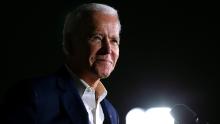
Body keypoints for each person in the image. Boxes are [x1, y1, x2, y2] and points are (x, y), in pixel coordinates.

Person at [2, 3, 121, 124]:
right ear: (70, 44)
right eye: (97, 37)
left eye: (114, 41)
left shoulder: (111, 113)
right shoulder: (34, 95)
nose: (108, 49)